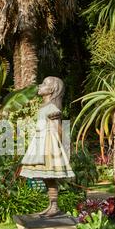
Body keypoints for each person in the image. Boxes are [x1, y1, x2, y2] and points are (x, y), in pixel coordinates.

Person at [20, 76, 75, 217]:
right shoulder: (45, 106)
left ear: (52, 89)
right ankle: (52, 205)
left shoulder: (52, 108)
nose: (40, 86)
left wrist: (63, 147)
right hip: (41, 142)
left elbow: (59, 129)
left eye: (44, 84)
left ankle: (54, 206)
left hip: (49, 145)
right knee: (46, 177)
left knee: (50, 175)